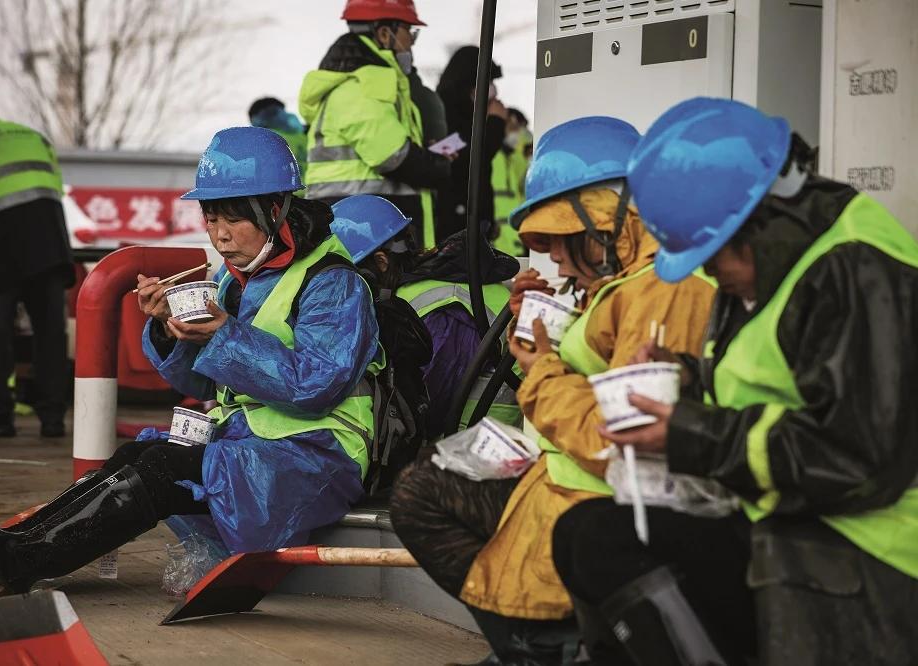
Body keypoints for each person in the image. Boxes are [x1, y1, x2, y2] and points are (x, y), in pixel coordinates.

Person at [0, 126, 382, 599]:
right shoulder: (237, 282)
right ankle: (13, 546)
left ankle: (18, 560)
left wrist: (224, 332)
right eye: (211, 220)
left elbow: (316, 385)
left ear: (275, 210)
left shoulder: (334, 283)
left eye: (233, 219)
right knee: (138, 454)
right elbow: (212, 382)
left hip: (319, 455)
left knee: (168, 466)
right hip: (261, 442)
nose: (220, 235)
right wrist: (170, 329)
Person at [552, 98, 918, 665]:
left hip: (864, 551)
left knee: (611, 544)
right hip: (790, 515)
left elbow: (854, 458)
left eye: (711, 254)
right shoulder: (778, 260)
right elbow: (777, 385)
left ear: (755, 221)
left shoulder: (854, 269)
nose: (707, 271)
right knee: (585, 534)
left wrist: (688, 434)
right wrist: (686, 378)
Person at [389, 116, 716, 664]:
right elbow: (572, 379)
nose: (553, 257)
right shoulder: (614, 281)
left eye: (560, 238)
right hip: (559, 480)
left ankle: (552, 646)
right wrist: (532, 333)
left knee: (424, 500)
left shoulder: (665, 291)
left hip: (596, 505)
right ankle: (541, 644)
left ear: (606, 221)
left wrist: (541, 369)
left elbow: (619, 437)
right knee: (423, 486)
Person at [329, 194, 520, 440]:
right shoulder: (431, 288)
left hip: (478, 445)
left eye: (353, 276)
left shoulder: (438, 304)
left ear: (381, 262)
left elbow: (429, 403)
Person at [299, 0, 451, 249]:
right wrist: (437, 165)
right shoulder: (363, 87)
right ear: (384, 33)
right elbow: (393, 156)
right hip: (364, 229)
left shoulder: (363, 84)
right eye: (409, 32)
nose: (412, 41)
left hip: (362, 223)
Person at [0, 99, 74, 438]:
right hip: (49, 235)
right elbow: (55, 188)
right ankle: (53, 417)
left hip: (0, 238)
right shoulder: (32, 135)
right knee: (50, 333)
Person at [434, 45, 507, 242]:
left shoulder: (470, 115)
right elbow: (468, 156)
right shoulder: (443, 113)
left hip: (472, 223)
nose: (493, 88)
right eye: (488, 81)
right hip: (453, 223)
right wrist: (495, 123)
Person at [491, 108, 531, 257]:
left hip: (514, 239)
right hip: (500, 241)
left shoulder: (514, 158)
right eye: (512, 127)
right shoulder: (497, 156)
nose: (518, 133)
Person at [248, 96, 308, 171]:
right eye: (272, 113)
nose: (281, 116)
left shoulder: (305, 135)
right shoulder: (264, 143)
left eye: (281, 112)